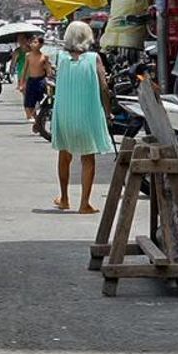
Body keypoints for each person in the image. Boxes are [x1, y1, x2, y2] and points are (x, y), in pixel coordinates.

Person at [50, 20, 115, 213]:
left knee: (64, 154)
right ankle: (84, 203)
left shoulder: (60, 58)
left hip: (64, 114)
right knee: (88, 158)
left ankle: (64, 198)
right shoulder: (94, 58)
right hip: (88, 113)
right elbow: (104, 87)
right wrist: (107, 110)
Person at [21, 35, 51, 130]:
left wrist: (49, 74)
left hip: (41, 81)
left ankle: (39, 122)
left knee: (42, 104)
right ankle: (36, 120)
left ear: (41, 45)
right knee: (28, 104)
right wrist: (22, 83)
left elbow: (48, 70)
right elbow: (25, 70)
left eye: (35, 42)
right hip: (31, 81)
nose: (32, 44)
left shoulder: (44, 57)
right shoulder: (28, 56)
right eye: (32, 42)